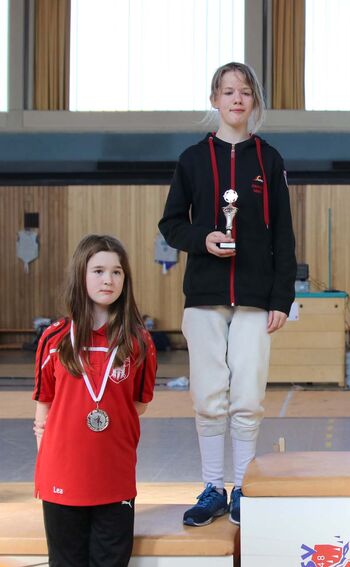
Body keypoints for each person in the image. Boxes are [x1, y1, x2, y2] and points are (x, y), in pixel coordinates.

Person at [159, 62, 297, 526]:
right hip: (204, 295)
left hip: (256, 297)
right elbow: (170, 224)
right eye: (228, 91)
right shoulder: (192, 159)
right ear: (214, 99)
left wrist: (281, 298)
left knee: (248, 396)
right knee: (208, 396)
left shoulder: (269, 160)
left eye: (245, 92)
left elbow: (284, 234)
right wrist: (204, 239)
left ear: (254, 101)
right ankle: (212, 488)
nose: (237, 99)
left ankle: (242, 486)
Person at [33, 234, 156, 566]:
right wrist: (53, 458)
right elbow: (44, 406)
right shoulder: (55, 339)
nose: (108, 280)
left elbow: (138, 404)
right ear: (81, 275)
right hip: (62, 477)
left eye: (117, 272)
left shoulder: (139, 341)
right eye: (98, 271)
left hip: (114, 478)